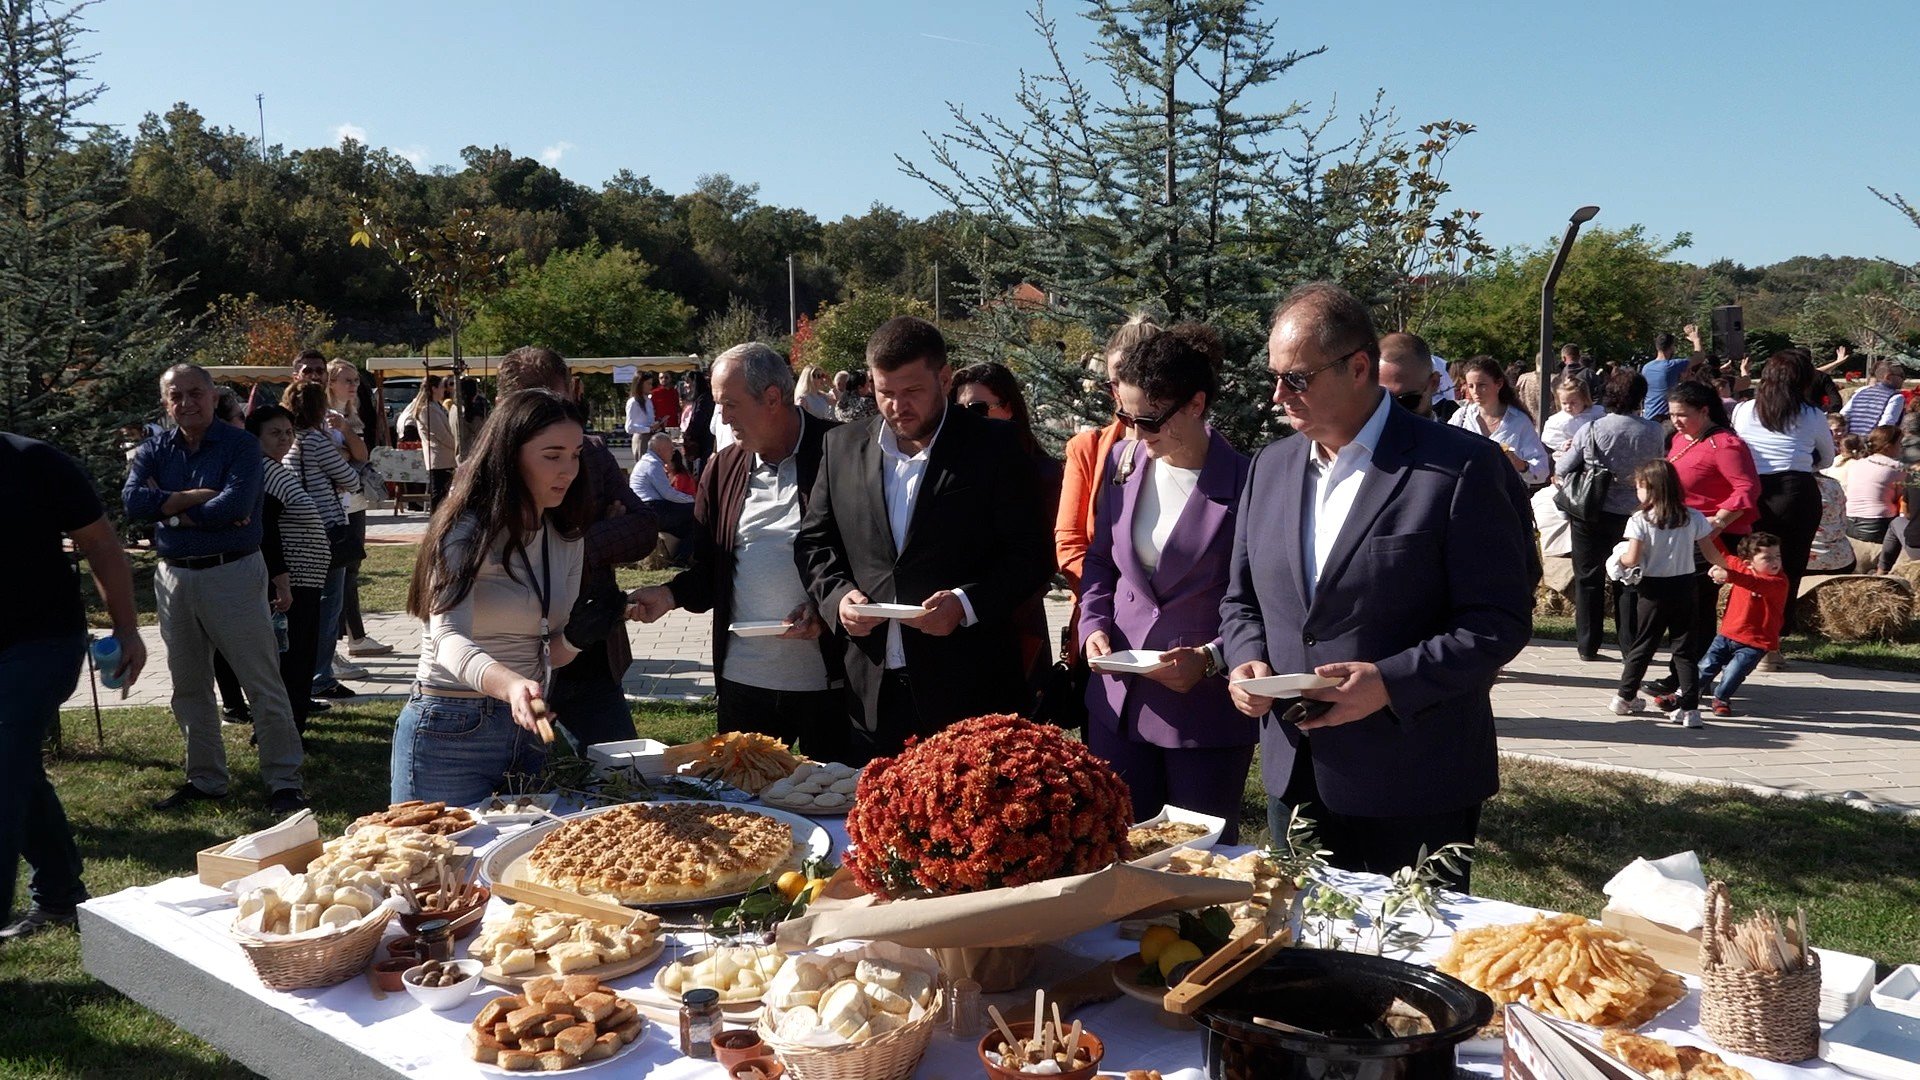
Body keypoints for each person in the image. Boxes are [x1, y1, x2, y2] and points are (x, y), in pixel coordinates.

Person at [1221, 283, 1533, 889]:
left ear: (1359, 367)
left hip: (1413, 778)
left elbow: (1497, 621)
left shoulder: (1461, 467)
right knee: (1302, 959)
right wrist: (1245, 661)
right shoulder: (1271, 466)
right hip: (1296, 771)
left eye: (1297, 379)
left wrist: (1389, 684)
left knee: (1406, 966)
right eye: (1275, 377)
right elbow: (1241, 600)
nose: (1277, 395)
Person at [795, 316, 1053, 764]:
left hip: (969, 688)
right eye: (885, 392)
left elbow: (1030, 555)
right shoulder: (841, 446)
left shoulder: (995, 446)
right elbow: (814, 542)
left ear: (945, 377)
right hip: (870, 692)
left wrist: (964, 604)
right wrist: (838, 599)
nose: (897, 406)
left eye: (912, 391)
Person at [1077, 326, 1254, 841]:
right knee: (1112, 857)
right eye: (1124, 416)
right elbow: (1101, 559)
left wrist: (1212, 657)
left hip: (1203, 711)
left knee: (1199, 875)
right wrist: (1093, 625)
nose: (1135, 430)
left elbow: (1262, 599)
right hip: (1117, 703)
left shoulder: (1248, 481)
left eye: (1148, 419)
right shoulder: (1122, 462)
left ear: (1197, 404)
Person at [627, 344, 845, 751]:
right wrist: (670, 595)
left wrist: (827, 607)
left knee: (832, 807)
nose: (721, 417)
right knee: (742, 809)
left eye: (730, 404)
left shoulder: (842, 452)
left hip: (829, 682)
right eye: (717, 404)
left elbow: (870, 558)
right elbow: (710, 570)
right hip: (745, 682)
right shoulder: (722, 467)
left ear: (772, 398)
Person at [392, 390, 590, 804]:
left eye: (575, 454)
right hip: (450, 726)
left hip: (529, 723)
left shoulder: (566, 536)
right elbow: (448, 640)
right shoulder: (466, 531)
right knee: (439, 863)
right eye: (552, 455)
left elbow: (546, 647)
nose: (568, 470)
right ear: (509, 456)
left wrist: (581, 635)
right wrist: (513, 686)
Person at [124, 364, 306, 812]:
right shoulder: (153, 449)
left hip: (233, 573)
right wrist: (196, 500)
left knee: (261, 681)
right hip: (174, 577)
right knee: (188, 686)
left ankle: (284, 781)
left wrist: (166, 507)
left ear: (211, 395)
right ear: (165, 402)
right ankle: (205, 779)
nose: (186, 403)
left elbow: (238, 505)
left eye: (195, 394)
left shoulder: (241, 445)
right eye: (176, 396)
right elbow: (132, 503)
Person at [2, 433, 147, 941]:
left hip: (43, 642)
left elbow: (101, 545)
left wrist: (128, 629)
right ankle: (61, 896)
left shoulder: (34, 462)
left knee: (5, 762)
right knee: (16, 767)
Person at [493, 347, 659, 748]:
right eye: (537, 408)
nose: (565, 469)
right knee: (525, 786)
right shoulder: (483, 472)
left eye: (559, 404)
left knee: (620, 777)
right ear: (507, 409)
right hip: (512, 663)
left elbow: (643, 529)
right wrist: (592, 531)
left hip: (589, 648)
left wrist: (578, 543)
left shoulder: (592, 454)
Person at [952, 360, 1064, 708]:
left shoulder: (1043, 473)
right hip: (956, 627)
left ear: (1009, 409)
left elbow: (1042, 559)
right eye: (958, 410)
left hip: (1018, 627)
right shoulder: (950, 472)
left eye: (979, 408)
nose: (969, 418)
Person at [1057, 317, 1162, 662]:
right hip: (1099, 630)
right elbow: (1070, 545)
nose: (1119, 393)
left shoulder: (1195, 452)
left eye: (1129, 379)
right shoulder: (1087, 449)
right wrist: (1102, 607)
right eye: (1112, 383)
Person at [1558, 372, 1665, 660]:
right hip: (1634, 514)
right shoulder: (1654, 431)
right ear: (1640, 398)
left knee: (1588, 578)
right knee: (1628, 579)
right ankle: (1629, 645)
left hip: (1591, 509)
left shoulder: (1592, 428)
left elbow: (1564, 469)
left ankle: (1587, 644)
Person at [1732, 352, 1836, 643]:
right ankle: (1775, 636)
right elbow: (1827, 458)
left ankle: (1745, 627)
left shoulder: (1744, 410)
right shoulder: (1811, 413)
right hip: (1796, 491)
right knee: (1789, 566)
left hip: (1754, 491)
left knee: (1751, 562)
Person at [242, 404, 332, 736]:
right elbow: (266, 530)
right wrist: (282, 580)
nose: (284, 439)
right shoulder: (267, 472)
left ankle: (285, 728)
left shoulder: (272, 469)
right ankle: (282, 731)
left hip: (301, 581)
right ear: (256, 437)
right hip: (291, 585)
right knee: (291, 661)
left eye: (288, 432)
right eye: (274, 433)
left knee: (295, 658)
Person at [1608, 460, 1719, 728]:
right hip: (1684, 586)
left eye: (1640, 487)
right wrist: (1730, 569)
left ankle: (1624, 697)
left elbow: (1632, 558)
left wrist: (1616, 560)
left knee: (1644, 644)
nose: (1637, 493)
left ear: (1652, 489)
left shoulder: (1640, 520)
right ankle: (1690, 709)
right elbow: (1710, 553)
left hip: (1652, 590)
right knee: (1684, 649)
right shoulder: (1693, 516)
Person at [282, 382, 362, 704]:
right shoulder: (316, 440)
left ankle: (301, 675)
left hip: (294, 530)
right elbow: (351, 479)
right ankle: (321, 676)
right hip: (326, 527)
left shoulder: (287, 441)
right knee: (329, 605)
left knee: (302, 607)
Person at [327, 360, 392, 662]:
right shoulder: (324, 417)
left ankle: (356, 636)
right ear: (330, 383)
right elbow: (332, 456)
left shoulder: (348, 416)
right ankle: (345, 639)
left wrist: (347, 438)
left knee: (352, 568)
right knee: (341, 571)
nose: (353, 385)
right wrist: (346, 450)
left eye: (355, 380)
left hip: (354, 499)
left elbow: (361, 454)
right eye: (346, 380)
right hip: (332, 502)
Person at [1695, 534, 1790, 717]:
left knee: (1734, 673)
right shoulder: (1741, 568)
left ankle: (1721, 699)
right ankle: (1686, 693)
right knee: (1706, 666)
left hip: (1756, 641)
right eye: (1767, 558)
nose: (1775, 562)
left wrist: (1727, 575)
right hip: (1727, 634)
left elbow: (1754, 583)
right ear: (1748, 562)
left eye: (1777, 556)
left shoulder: (1779, 582)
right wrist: (1707, 531)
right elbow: (1721, 554)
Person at [1450, 355, 1550, 485]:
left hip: (1506, 497)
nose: (1476, 391)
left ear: (1499, 384)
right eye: (1471, 386)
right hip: (1467, 494)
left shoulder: (1518, 421)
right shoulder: (1461, 416)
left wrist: (1520, 464)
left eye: (1481, 385)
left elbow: (1542, 470)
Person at [1844, 426, 1905, 572]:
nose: (1903, 448)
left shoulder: (1856, 463)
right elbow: (1903, 497)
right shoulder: (1897, 468)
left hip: (1850, 522)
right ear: (1889, 447)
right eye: (1900, 444)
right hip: (1878, 524)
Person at [630, 431, 696, 560]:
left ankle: (680, 554)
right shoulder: (652, 464)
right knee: (697, 513)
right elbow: (668, 494)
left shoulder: (647, 462)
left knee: (689, 523)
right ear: (660, 449)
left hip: (647, 508)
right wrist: (693, 500)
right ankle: (682, 557)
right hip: (652, 508)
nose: (673, 451)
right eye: (671, 447)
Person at [408, 376, 456, 509]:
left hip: (445, 456)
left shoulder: (436, 406)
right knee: (439, 493)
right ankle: (436, 522)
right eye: (441, 387)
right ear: (434, 388)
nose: (444, 390)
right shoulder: (427, 409)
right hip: (439, 457)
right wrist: (457, 447)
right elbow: (441, 435)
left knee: (444, 493)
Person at [1542, 377, 1606, 477]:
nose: (1568, 407)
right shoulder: (1559, 420)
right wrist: (1562, 444)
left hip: (1594, 458)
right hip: (1568, 460)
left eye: (1573, 403)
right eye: (1564, 403)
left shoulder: (1595, 414)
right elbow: (1548, 436)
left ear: (1584, 400)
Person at [1376, 332, 1441, 420]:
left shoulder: (1453, 434)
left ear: (1434, 383)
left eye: (1406, 401)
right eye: (1381, 401)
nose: (1392, 411)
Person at [1842, 360, 1905, 437]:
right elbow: (1886, 425)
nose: (1903, 379)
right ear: (1888, 377)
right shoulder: (1896, 397)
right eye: (1901, 375)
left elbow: (1843, 415)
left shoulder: (1861, 391)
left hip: (1852, 441)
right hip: (1872, 443)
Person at [1640, 332, 1689, 423]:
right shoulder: (1673, 365)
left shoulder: (1646, 367)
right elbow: (1700, 357)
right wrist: (1696, 340)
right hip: (1666, 420)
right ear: (1671, 347)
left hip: (1649, 417)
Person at [451, 376, 491, 464]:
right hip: (472, 457)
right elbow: (483, 434)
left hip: (460, 455)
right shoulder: (471, 414)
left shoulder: (453, 408)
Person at [625, 374, 658, 459]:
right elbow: (629, 427)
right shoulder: (633, 402)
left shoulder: (648, 400)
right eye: (648, 384)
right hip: (641, 438)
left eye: (651, 384)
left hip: (650, 437)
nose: (651, 387)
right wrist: (648, 429)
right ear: (640, 384)